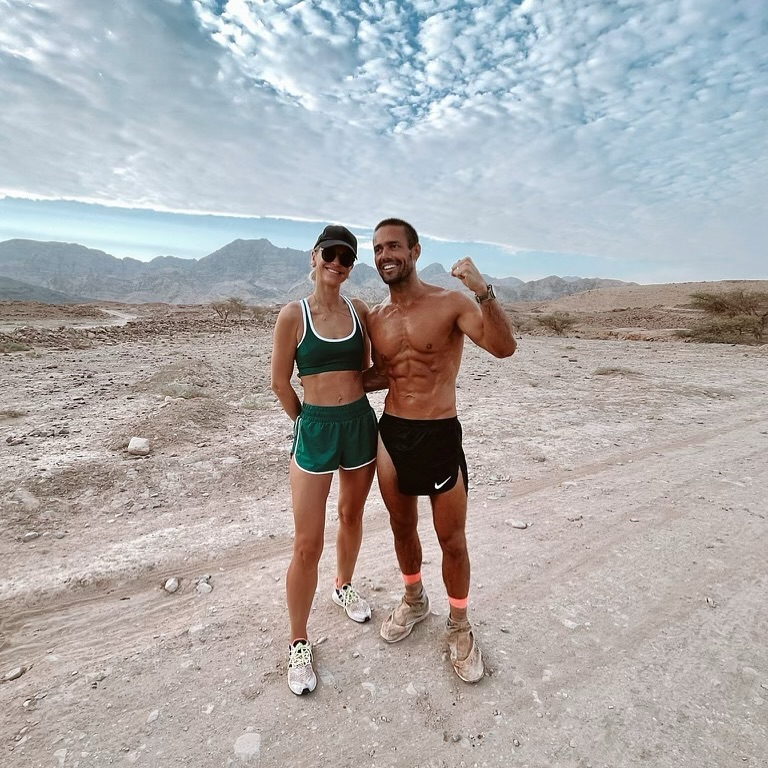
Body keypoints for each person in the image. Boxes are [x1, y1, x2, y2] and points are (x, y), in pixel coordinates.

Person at [364, 218, 516, 683]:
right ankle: (414, 600)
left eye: (393, 246)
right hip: (392, 433)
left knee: (452, 539)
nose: (385, 255)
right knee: (400, 525)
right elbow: (380, 375)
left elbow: (503, 347)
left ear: (414, 250)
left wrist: (484, 291)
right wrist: (324, 383)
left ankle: (459, 623)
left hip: (439, 432)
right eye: (377, 249)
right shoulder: (375, 318)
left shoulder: (451, 302)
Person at [271, 224, 378, 696]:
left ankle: (344, 585)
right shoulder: (293, 315)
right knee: (306, 542)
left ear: (352, 267)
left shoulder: (360, 312)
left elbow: (370, 370)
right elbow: (279, 382)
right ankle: (298, 640)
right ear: (313, 257)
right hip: (314, 430)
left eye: (347, 257)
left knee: (352, 515)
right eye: (330, 253)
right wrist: (304, 422)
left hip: (359, 426)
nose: (337, 262)